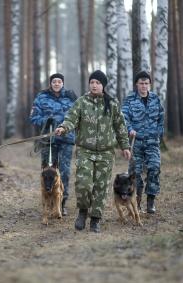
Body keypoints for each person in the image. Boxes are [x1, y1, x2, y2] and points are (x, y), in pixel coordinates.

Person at [55, 70, 131, 233]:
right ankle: (83, 212)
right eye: (92, 82)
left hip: (105, 152)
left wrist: (125, 146)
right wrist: (63, 127)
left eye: (97, 83)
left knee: (100, 187)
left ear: (103, 86)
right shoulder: (82, 102)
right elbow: (71, 118)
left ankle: (95, 219)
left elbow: (120, 126)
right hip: (85, 151)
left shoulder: (112, 104)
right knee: (83, 184)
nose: (94, 85)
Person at [30, 73, 77, 216]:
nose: (56, 84)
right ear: (50, 83)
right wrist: (46, 120)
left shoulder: (70, 98)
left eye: (59, 81)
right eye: (54, 82)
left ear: (63, 83)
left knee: (64, 171)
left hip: (66, 140)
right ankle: (47, 202)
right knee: (47, 173)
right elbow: (33, 117)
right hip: (47, 141)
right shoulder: (41, 98)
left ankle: (61, 203)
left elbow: (76, 117)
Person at [121, 71, 164, 214]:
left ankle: (150, 201)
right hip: (136, 141)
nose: (144, 86)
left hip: (152, 142)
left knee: (154, 168)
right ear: (136, 84)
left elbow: (161, 117)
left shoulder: (155, 99)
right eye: (141, 83)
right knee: (135, 173)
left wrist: (158, 132)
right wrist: (130, 129)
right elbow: (124, 117)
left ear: (150, 84)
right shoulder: (129, 100)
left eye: (146, 83)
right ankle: (136, 202)